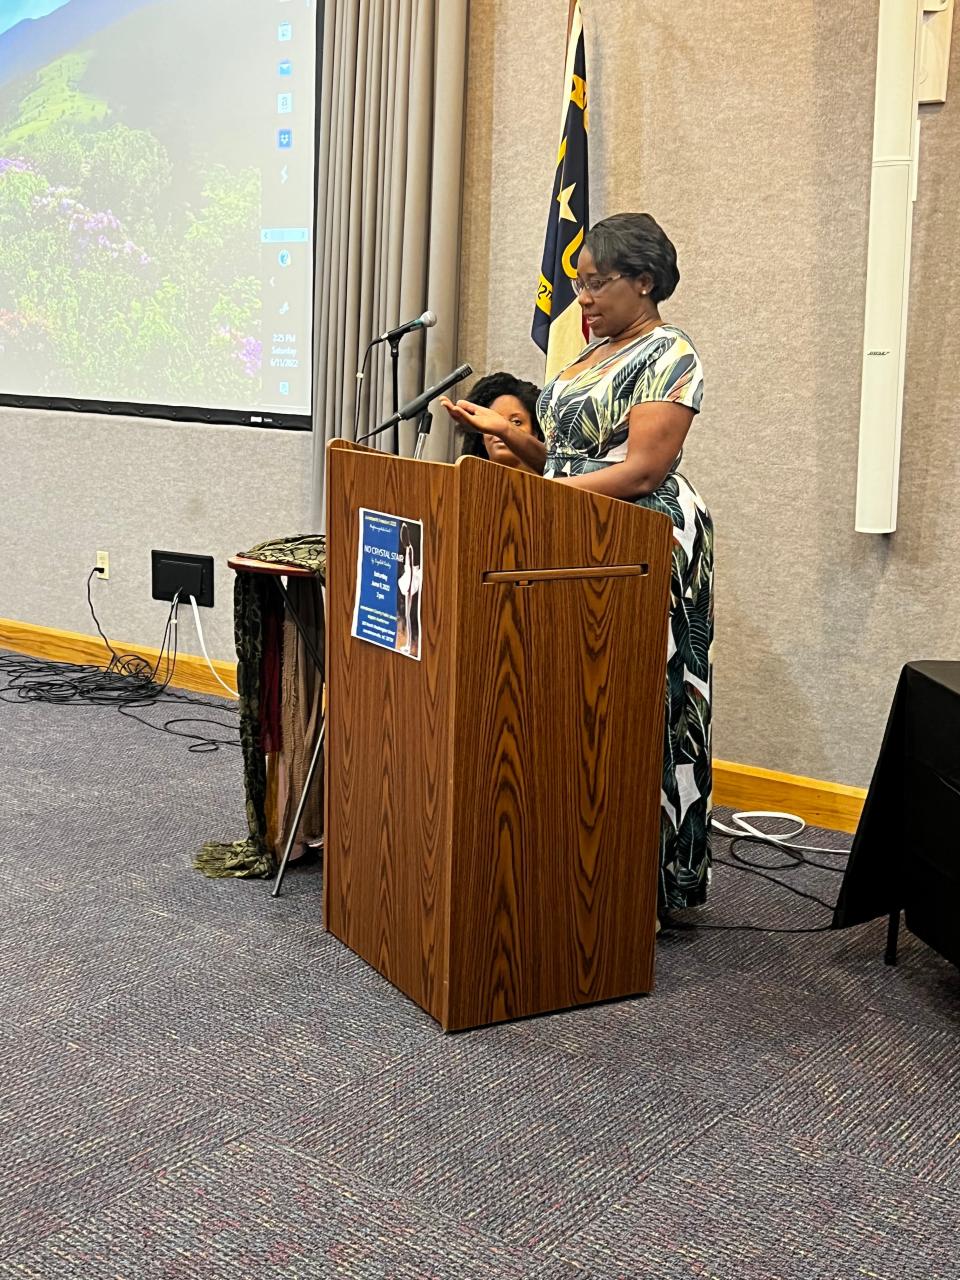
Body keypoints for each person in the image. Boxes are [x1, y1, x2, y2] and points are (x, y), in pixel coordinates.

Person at [441, 212, 713, 913]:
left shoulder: (668, 352)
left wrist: (546, 502)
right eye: (578, 284)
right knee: (575, 705)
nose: (583, 299)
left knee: (642, 704)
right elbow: (564, 462)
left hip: (642, 542)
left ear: (644, 281)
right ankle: (574, 867)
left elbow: (640, 472)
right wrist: (505, 432)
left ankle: (642, 886)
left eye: (597, 283)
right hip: (578, 529)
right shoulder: (590, 355)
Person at [456, 372, 544, 471]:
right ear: (481, 437)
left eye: (516, 422)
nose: (500, 428)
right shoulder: (465, 483)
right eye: (492, 421)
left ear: (535, 433)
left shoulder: (554, 483)